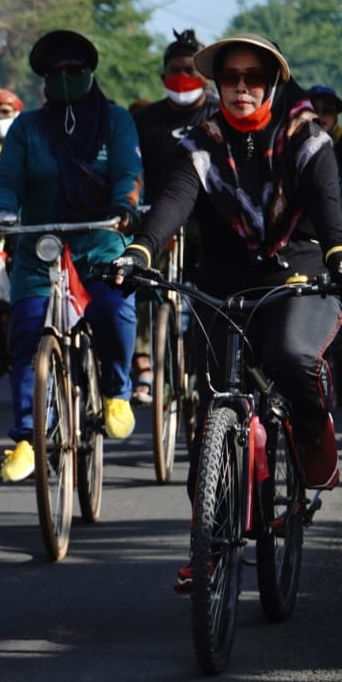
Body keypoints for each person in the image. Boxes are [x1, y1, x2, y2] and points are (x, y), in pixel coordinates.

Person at [111, 34, 342, 488]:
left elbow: (328, 203)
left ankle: (315, 432)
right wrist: (139, 250)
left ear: (272, 83)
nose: (241, 88)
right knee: (212, 398)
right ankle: (208, 547)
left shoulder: (307, 138)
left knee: (290, 354)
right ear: (217, 84)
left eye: (253, 78)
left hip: (297, 273)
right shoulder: (200, 142)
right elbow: (173, 201)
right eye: (230, 77)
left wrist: (337, 252)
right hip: (223, 281)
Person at [0, 29, 143, 483]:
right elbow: (8, 179)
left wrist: (125, 207)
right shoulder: (27, 128)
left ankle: (116, 391)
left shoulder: (116, 121)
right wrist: (1, 211)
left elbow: (128, 171)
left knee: (115, 311)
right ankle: (26, 436)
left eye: (73, 69)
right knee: (27, 334)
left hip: (100, 243)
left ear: (89, 72)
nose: (64, 76)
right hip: (40, 249)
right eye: (54, 71)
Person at [129, 29, 219, 399]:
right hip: (159, 218)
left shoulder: (218, 113)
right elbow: (132, 168)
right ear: (163, 74)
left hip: (209, 221)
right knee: (139, 283)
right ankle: (145, 363)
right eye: (174, 69)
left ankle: (207, 366)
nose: (182, 76)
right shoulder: (147, 119)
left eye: (190, 69)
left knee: (213, 292)